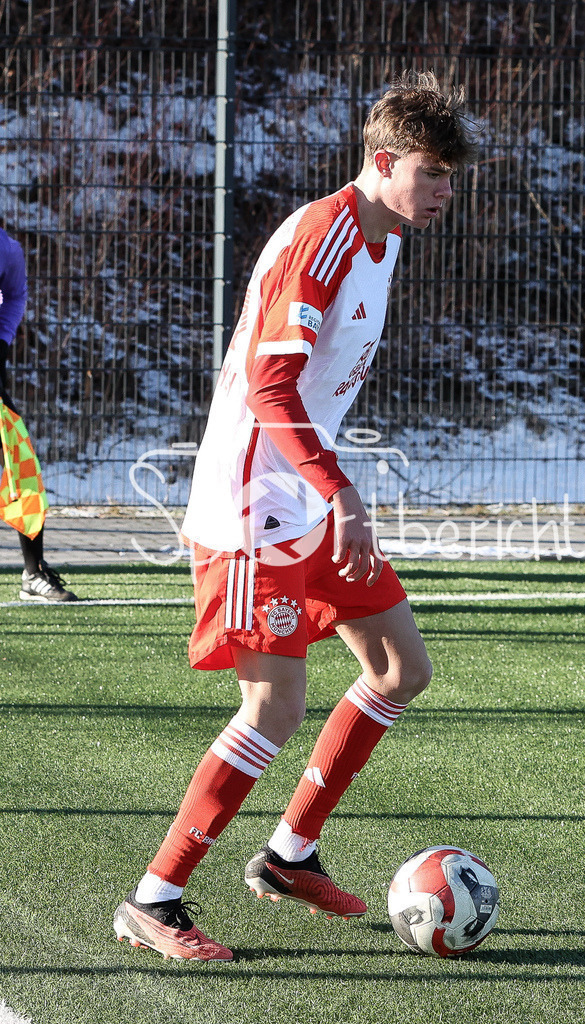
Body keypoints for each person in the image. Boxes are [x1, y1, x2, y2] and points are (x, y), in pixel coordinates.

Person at [114, 70, 478, 961]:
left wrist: (328, 489)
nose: (443, 193)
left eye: (451, 178)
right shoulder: (325, 236)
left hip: (306, 494)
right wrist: (338, 491)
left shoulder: (385, 237)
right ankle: (154, 899)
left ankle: (288, 852)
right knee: (273, 706)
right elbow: (272, 384)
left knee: (400, 668)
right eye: (430, 173)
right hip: (255, 503)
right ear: (382, 160)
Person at [0, 228, 77, 602]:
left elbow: (14, 297)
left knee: (21, 463)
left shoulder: (6, 249)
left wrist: (1, 342)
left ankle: (34, 573)